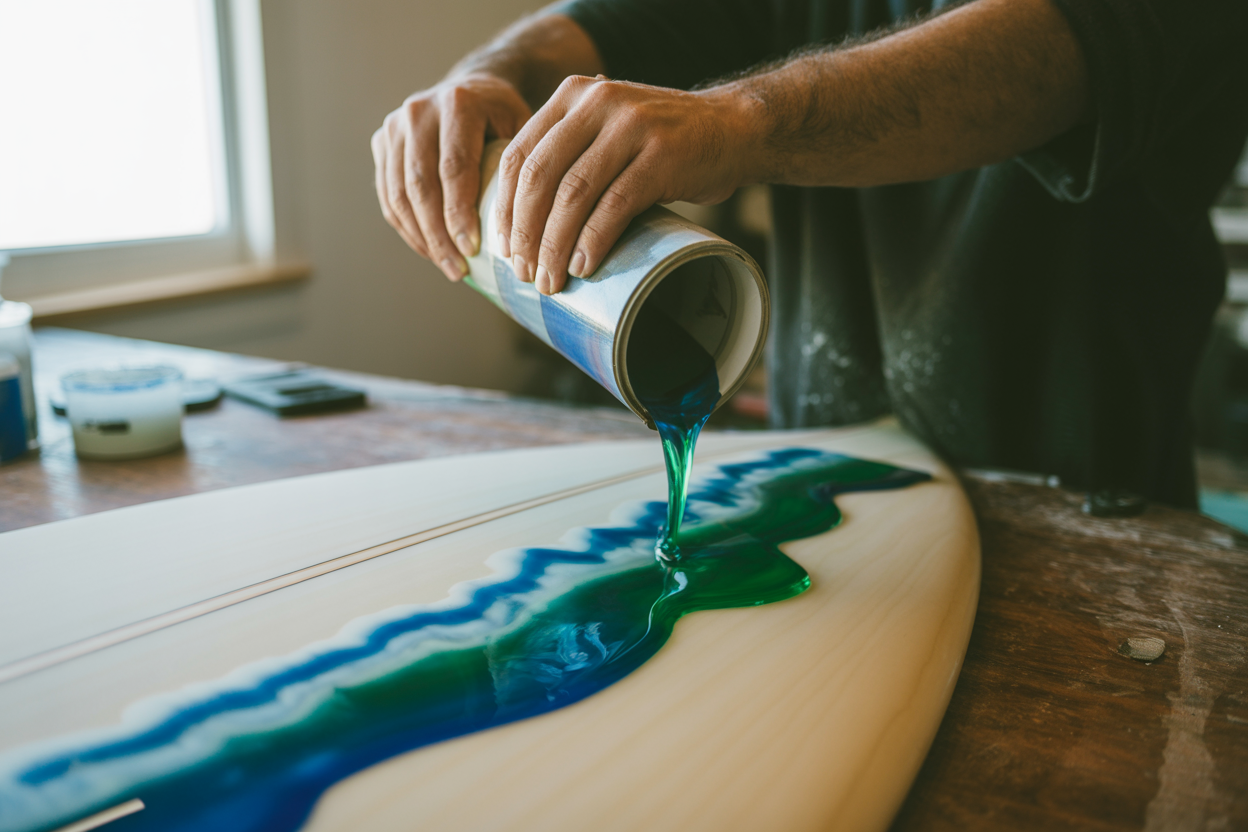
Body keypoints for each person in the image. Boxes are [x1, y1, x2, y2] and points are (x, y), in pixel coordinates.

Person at [371, 0, 1248, 509]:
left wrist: (743, 122)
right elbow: (602, 23)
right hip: (820, 492)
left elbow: (1049, 54)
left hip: (1080, 504)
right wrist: (487, 75)